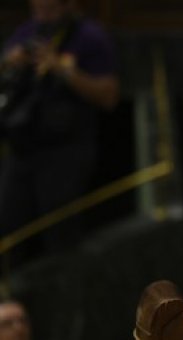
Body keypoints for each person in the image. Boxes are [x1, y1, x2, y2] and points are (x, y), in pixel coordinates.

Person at [0, 0, 119, 262]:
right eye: (37, 9)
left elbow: (109, 97)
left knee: (61, 237)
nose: (43, 15)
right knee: (8, 230)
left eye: (50, 9)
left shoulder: (90, 37)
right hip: (22, 148)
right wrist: (11, 62)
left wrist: (62, 70)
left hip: (66, 152)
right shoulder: (27, 32)